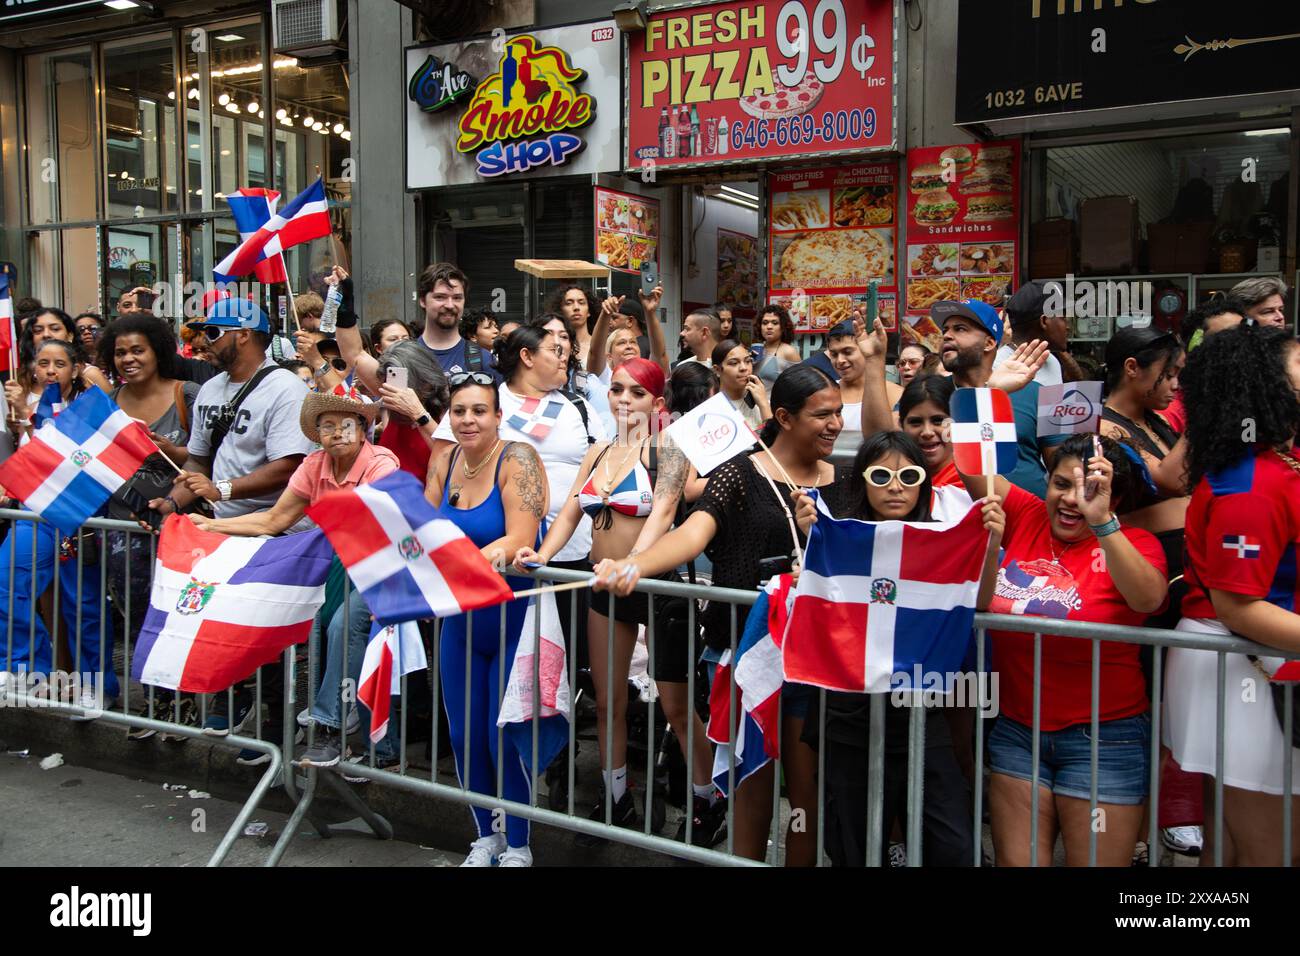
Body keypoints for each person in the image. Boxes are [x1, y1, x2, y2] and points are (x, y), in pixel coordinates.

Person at [594, 365, 848, 864]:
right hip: (744, 655)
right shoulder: (739, 472)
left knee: (803, 797)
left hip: (811, 663)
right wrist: (634, 565)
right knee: (749, 791)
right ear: (785, 418)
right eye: (823, 414)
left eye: (839, 412)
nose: (836, 423)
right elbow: (691, 535)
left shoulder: (845, 483)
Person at [513, 358, 717, 844]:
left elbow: (663, 512)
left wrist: (635, 564)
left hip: (660, 587)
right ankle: (616, 796)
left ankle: (709, 802)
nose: (624, 399)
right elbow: (567, 515)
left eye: (637, 393)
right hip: (605, 587)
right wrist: (538, 555)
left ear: (657, 403)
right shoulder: (598, 450)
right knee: (608, 701)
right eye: (618, 390)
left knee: (677, 708)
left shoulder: (667, 448)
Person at [793, 430, 1005, 866]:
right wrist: (813, 538)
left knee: (952, 843)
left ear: (923, 483)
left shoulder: (942, 539)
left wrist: (991, 542)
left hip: (920, 717)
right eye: (881, 474)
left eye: (909, 475)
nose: (895, 486)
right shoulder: (837, 536)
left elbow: (979, 603)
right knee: (851, 843)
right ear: (861, 480)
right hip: (848, 715)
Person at [962, 434, 1169, 866]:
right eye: (1061, 484)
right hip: (1017, 732)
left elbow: (1149, 600)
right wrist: (985, 384)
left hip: (1105, 740)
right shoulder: (1026, 513)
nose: (1072, 499)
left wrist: (1103, 523)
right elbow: (970, 463)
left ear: (1115, 496)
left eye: (1090, 489)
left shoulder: (1136, 543)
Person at [148, 296, 315, 739]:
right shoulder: (209, 389)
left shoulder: (285, 389)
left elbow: (289, 466)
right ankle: (234, 697)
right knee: (223, 620)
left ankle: (278, 722)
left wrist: (221, 491)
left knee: (269, 632)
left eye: (212, 332)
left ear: (243, 334)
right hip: (223, 531)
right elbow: (199, 464)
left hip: (279, 531)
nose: (203, 341)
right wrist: (172, 503)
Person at [1165, 323, 1300, 866]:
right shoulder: (1250, 485)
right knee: (1275, 850)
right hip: (1238, 669)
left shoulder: (1275, 463)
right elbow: (1236, 606)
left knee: (1234, 846)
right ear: (1267, 383)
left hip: (1255, 666)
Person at [427, 373, 547, 867]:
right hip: (459, 620)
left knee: (504, 736)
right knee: (463, 735)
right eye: (459, 411)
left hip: (512, 617)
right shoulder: (445, 458)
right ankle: (487, 836)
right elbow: (423, 533)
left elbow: (521, 539)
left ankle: (519, 845)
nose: (468, 420)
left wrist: (458, 557)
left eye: (479, 410)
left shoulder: (518, 458)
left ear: (499, 416)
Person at [431, 323, 606, 663]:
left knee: (560, 660)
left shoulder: (578, 407)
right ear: (526, 356)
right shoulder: (482, 400)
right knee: (494, 661)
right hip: (499, 561)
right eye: (555, 352)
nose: (564, 359)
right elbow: (441, 471)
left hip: (570, 555)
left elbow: (597, 470)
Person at [0, 338, 114, 712]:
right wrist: (21, 418)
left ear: (75, 369)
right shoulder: (21, 406)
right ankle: (25, 673)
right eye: (44, 362)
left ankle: (96, 686)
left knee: (84, 606)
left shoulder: (90, 408)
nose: (51, 370)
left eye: (60, 363)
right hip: (35, 514)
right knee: (7, 583)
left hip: (80, 516)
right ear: (33, 367)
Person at [932, 298, 1058, 498]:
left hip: (1027, 518)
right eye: (945, 330)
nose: (947, 336)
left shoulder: (1037, 393)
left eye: (960, 329)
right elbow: (887, 441)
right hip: (954, 517)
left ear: (989, 343)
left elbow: (1061, 467)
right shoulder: (927, 394)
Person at [1098, 327, 1188, 581]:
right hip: (1142, 564)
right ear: (1132, 368)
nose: (1176, 385)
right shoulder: (1104, 427)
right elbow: (1174, 481)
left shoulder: (1156, 419)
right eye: (1169, 374)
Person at [1165, 293, 1247, 433]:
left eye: (1245, 334)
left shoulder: (1246, 398)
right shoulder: (1171, 411)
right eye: (1228, 337)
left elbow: (1250, 445)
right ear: (1197, 348)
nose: (1242, 344)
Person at [7, 308, 111, 411]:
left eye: (55, 329)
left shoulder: (90, 374)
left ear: (70, 336)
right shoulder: (23, 376)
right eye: (38, 330)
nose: (46, 334)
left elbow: (115, 419)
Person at [410, 261, 499, 381]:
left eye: (457, 298)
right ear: (422, 300)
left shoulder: (484, 359)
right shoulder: (405, 357)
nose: (450, 305)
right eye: (440, 297)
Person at [993, 281, 1073, 386]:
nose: (1068, 327)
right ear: (1044, 321)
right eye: (1063, 318)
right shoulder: (997, 368)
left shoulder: (1052, 362)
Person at [712, 338, 769, 431]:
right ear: (717, 370)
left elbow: (775, 441)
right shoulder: (709, 407)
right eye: (734, 363)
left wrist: (764, 405)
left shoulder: (762, 402)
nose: (743, 368)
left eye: (748, 361)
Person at [549, 284, 599, 367]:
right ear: (560, 310)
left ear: (589, 311)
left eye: (581, 303)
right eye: (569, 303)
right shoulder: (553, 344)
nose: (576, 307)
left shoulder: (601, 345)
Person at [751, 304, 800, 388]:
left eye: (775, 323)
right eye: (765, 323)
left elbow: (801, 384)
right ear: (760, 326)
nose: (769, 327)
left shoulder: (789, 351)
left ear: (783, 327)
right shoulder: (757, 349)